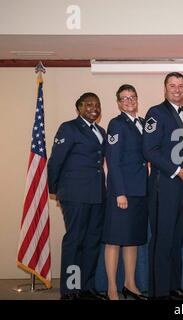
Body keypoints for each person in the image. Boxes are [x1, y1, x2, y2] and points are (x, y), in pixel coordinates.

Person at [142, 72, 183, 300]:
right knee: (163, 239)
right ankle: (160, 292)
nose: (177, 89)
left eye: (181, 85)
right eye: (172, 85)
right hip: (163, 185)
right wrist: (177, 171)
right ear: (164, 88)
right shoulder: (156, 113)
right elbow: (149, 150)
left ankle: (174, 287)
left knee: (177, 238)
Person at [47, 92, 108, 300]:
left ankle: (87, 287)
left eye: (97, 104)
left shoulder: (101, 131)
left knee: (92, 241)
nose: (94, 108)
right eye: (88, 104)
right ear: (79, 107)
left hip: (97, 195)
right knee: (75, 240)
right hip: (75, 195)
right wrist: (56, 190)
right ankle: (71, 289)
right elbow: (56, 160)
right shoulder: (69, 128)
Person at [102, 85, 149, 300]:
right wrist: (120, 192)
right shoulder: (116, 124)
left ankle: (130, 283)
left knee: (132, 240)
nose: (129, 101)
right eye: (124, 98)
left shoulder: (141, 124)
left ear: (137, 100)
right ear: (119, 103)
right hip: (122, 193)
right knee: (114, 240)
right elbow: (113, 160)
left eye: (132, 97)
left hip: (140, 191)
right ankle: (112, 287)